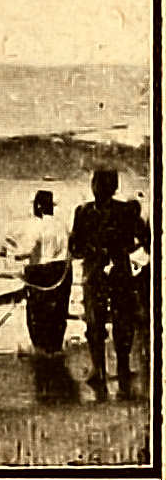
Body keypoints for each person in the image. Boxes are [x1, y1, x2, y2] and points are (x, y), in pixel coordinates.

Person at [68, 168, 149, 400]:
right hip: (118, 273)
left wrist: (93, 251)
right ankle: (120, 369)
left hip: (97, 274)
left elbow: (75, 248)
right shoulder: (126, 211)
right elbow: (145, 240)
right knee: (120, 323)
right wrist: (126, 251)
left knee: (97, 324)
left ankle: (101, 371)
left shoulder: (83, 212)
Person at [1, 190, 72, 356]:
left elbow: (27, 251)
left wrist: (9, 252)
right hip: (63, 270)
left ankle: (41, 351)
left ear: (38, 206)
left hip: (41, 271)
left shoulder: (37, 225)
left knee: (37, 314)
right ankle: (55, 348)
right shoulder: (62, 225)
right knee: (58, 313)